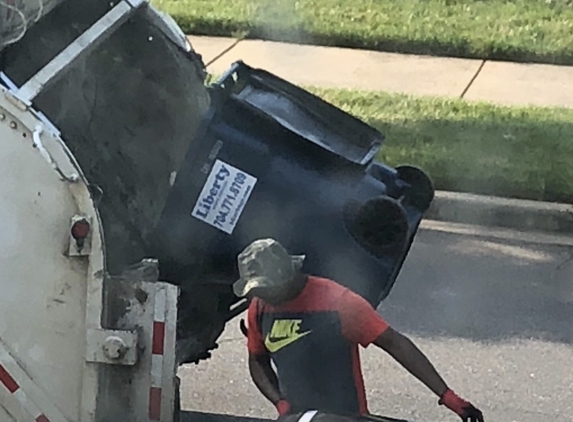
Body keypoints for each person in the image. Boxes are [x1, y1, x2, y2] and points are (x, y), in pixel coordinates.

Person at [233, 238, 485, 422]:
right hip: (296, 416)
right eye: (255, 291)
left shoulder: (337, 301)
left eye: (265, 289)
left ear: (286, 275)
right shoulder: (260, 308)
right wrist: (280, 402)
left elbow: (396, 344)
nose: (260, 295)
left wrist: (448, 397)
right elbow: (257, 359)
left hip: (346, 414)